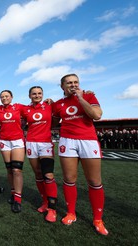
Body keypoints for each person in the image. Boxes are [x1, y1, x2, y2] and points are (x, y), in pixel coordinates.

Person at [52, 73, 108, 236]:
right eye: (69, 83)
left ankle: (97, 219)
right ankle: (71, 213)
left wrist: (81, 98)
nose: (73, 85)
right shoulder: (58, 104)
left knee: (94, 181)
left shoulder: (89, 96)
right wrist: (49, 105)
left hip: (88, 140)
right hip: (67, 141)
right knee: (69, 179)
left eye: (76, 82)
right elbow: (54, 122)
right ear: (62, 86)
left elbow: (96, 115)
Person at [21, 86, 58, 221]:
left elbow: (56, 120)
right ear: (29, 96)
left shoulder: (50, 106)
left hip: (45, 143)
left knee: (48, 174)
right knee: (38, 173)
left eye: (39, 93)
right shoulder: (26, 109)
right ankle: (45, 202)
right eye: (34, 94)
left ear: (42, 94)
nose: (37, 95)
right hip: (31, 143)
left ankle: (53, 209)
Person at [0, 90, 25, 213]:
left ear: (12, 97)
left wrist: (48, 102)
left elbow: (33, 110)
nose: (4, 98)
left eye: (7, 96)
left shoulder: (19, 107)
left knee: (17, 170)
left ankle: (18, 199)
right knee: (9, 169)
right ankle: (13, 193)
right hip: (4, 141)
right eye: (2, 97)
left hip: (17, 141)